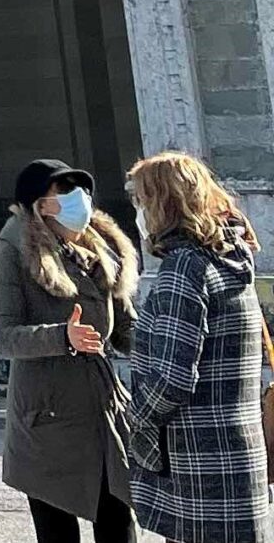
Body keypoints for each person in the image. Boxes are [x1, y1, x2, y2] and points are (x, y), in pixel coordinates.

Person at [118, 151, 273, 543]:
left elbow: (172, 377)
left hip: (199, 459)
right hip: (238, 446)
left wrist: (134, 415)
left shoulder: (184, 267)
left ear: (161, 203)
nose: (137, 212)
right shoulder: (230, 257)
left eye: (140, 200)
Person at [0, 155, 139, 543]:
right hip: (47, 417)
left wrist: (168, 345)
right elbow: (3, 334)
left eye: (81, 189)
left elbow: (125, 328)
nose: (80, 198)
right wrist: (61, 337)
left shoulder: (102, 249)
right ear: (41, 204)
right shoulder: (13, 250)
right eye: (66, 190)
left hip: (102, 411)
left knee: (118, 520)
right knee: (57, 528)